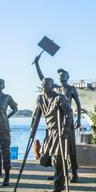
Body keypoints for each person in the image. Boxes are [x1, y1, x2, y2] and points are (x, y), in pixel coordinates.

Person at [34, 54, 81, 182]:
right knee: (56, 151)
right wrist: (37, 65)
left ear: (67, 76)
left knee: (70, 149)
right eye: (59, 75)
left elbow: (77, 104)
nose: (60, 76)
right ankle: (58, 173)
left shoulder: (71, 88)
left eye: (63, 74)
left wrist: (79, 119)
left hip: (67, 122)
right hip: (55, 123)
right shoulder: (56, 88)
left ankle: (74, 173)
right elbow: (43, 80)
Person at [29, 77, 73, 192]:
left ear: (52, 86)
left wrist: (64, 130)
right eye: (42, 84)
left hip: (60, 132)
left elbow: (69, 114)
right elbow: (36, 116)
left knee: (59, 161)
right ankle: (61, 178)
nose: (44, 86)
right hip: (49, 133)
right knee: (44, 159)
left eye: (47, 84)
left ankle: (58, 188)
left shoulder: (59, 98)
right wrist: (32, 130)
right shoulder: (40, 98)